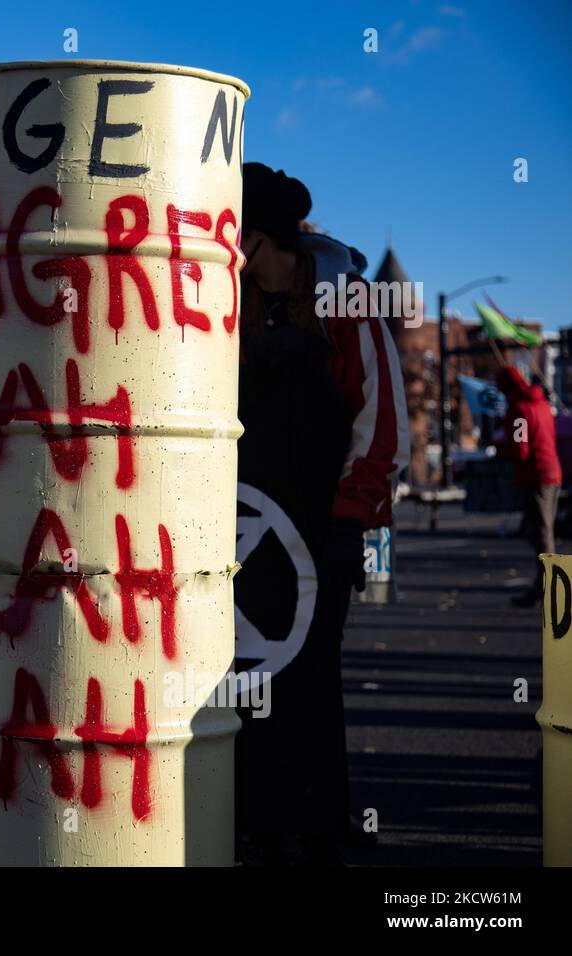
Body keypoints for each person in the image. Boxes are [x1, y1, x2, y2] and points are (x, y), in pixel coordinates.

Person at [234, 163, 409, 864]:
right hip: (254, 530)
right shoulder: (228, 303)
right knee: (250, 675)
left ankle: (318, 827)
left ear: (254, 236)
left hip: (328, 526)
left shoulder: (345, 302)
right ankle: (262, 823)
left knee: (311, 679)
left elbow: (383, 422)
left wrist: (350, 520)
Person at [496, 365, 562, 606]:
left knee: (542, 533)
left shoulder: (518, 409)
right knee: (546, 530)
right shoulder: (541, 404)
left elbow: (520, 449)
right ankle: (544, 585)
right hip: (552, 470)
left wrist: (500, 447)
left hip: (535, 475)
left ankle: (550, 586)